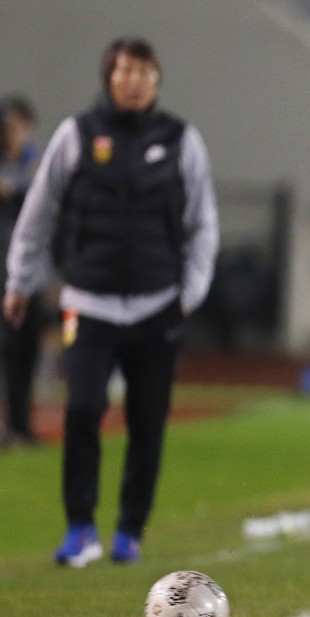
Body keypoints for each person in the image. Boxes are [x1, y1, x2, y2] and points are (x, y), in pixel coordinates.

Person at [4, 37, 219, 566]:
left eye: (144, 70)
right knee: (82, 408)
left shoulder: (180, 140)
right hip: (89, 302)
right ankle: (80, 528)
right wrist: (19, 280)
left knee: (147, 421)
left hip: (157, 305)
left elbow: (202, 224)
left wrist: (188, 295)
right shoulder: (75, 135)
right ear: (109, 77)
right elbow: (40, 210)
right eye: (124, 70)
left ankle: (129, 531)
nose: (134, 79)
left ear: (157, 79)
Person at [0, 96, 44, 447]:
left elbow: (47, 197)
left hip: (27, 276)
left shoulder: (33, 164)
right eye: (13, 127)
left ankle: (20, 425)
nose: (19, 135)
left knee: (25, 350)